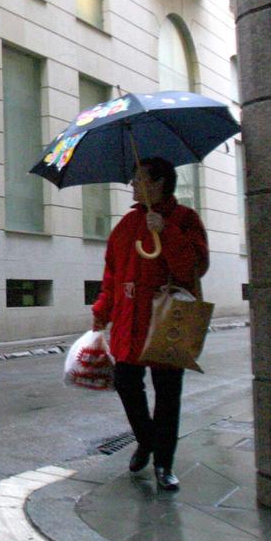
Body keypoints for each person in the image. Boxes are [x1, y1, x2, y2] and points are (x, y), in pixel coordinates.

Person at [91, 157, 208, 491]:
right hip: (130, 321)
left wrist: (166, 231)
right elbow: (112, 275)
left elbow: (193, 268)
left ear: (159, 183)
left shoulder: (185, 219)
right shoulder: (126, 226)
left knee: (168, 394)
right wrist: (103, 310)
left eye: (139, 178)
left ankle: (164, 464)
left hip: (168, 319)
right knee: (126, 383)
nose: (132, 184)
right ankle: (146, 439)